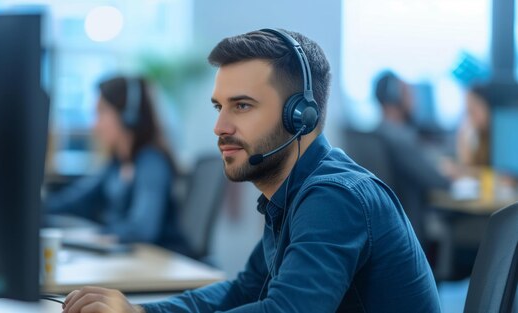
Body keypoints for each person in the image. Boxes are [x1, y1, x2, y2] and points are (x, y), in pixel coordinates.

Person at [61, 29, 441, 313]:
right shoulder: (291, 195)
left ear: (300, 116)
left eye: (241, 106)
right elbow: (244, 290)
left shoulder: (334, 196)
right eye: (218, 107)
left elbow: (285, 312)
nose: (220, 126)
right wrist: (142, 310)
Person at [45, 76, 188, 255]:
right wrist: (36, 207)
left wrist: (99, 234)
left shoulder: (151, 162)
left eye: (101, 112)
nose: (95, 125)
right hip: (134, 260)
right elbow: (76, 200)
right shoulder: (116, 164)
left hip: (161, 262)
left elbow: (142, 229)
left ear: (128, 116)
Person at [372, 71, 451, 240]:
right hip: (407, 233)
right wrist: (450, 172)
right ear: (395, 97)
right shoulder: (400, 139)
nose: (414, 98)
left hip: (385, 230)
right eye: (408, 92)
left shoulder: (377, 134)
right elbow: (439, 181)